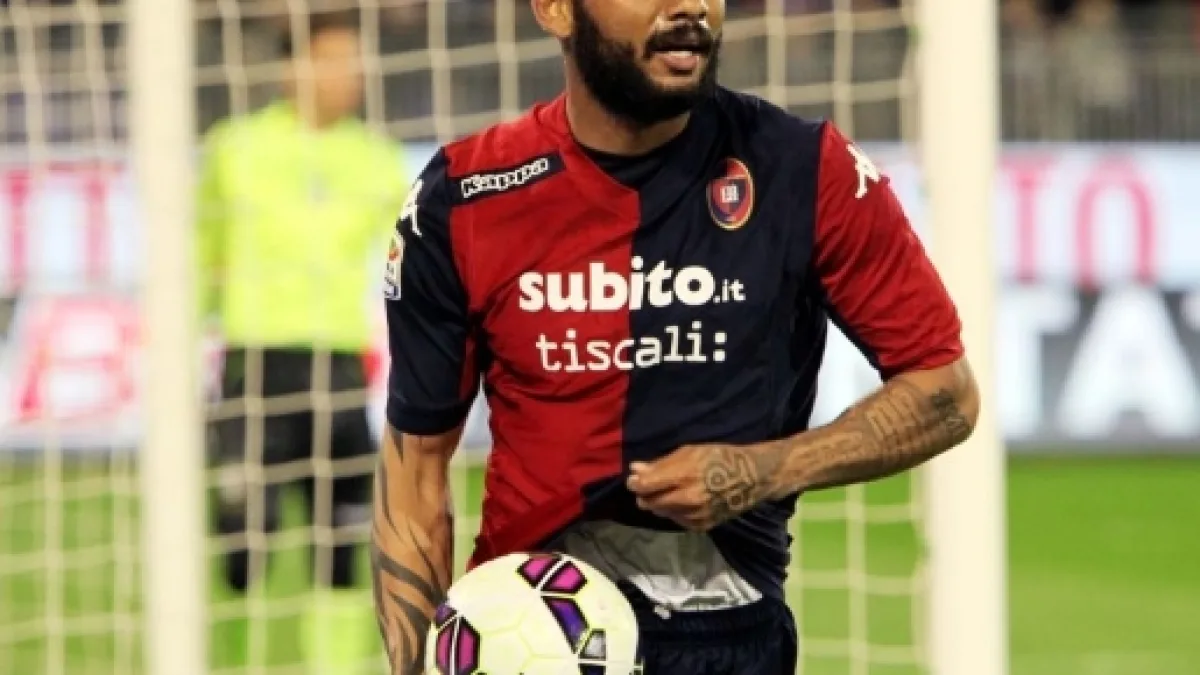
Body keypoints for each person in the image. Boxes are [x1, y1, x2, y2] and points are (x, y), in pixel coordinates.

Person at [370, 1, 980, 674]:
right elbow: (415, 470)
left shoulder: (804, 169)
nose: (690, 6)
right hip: (525, 637)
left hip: (726, 635)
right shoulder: (464, 196)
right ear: (555, 10)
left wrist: (764, 470)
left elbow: (947, 391)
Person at [197, 10, 406, 674]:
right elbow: (202, 255)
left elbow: (418, 258)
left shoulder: (376, 160)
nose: (350, 75)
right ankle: (229, 665)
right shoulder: (235, 148)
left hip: (338, 371)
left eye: (355, 62)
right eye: (332, 60)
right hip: (255, 368)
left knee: (343, 546)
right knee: (241, 546)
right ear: (292, 68)